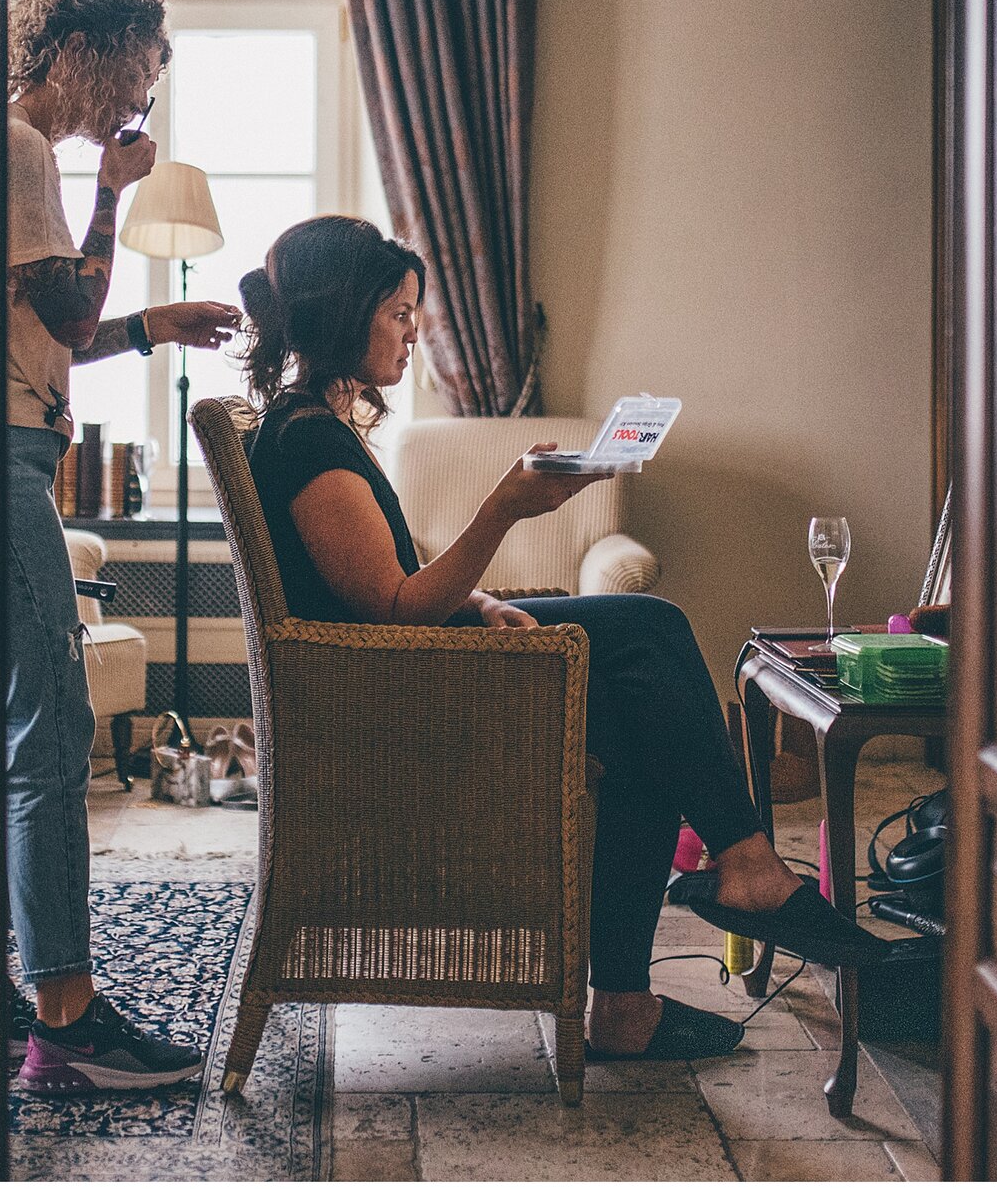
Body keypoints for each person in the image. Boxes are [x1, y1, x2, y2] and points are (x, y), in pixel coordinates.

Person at [236, 215, 890, 1062]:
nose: (413, 334)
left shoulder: (307, 428)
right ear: (341, 314)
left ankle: (627, 1004)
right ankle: (747, 867)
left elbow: (374, 585)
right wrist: (503, 510)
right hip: (394, 706)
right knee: (652, 631)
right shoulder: (309, 444)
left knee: (639, 722)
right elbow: (396, 612)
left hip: (402, 677)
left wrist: (477, 603)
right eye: (398, 314)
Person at [4, 0, 244, 1093]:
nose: (143, 99)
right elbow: (67, 303)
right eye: (142, 69)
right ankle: (66, 1019)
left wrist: (156, 326)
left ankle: (13, 996)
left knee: (5, 738)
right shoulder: (17, 151)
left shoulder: (15, 155)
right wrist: (112, 188)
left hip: (9, 450)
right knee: (48, 737)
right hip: (1, 464)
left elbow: (57, 331)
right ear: (92, 52)